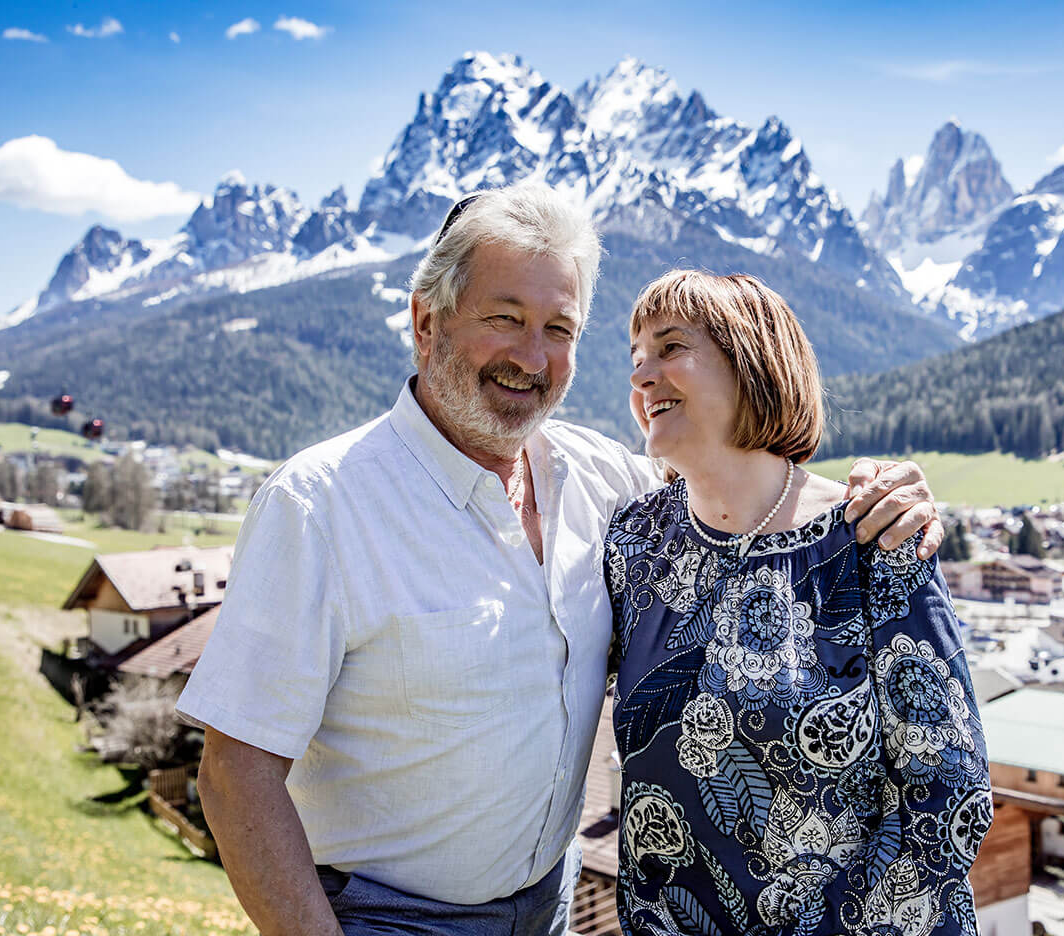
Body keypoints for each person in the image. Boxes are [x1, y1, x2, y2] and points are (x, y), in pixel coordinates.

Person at [176, 183, 946, 936]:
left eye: (559, 329)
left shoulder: (606, 482)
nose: (532, 356)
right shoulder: (319, 505)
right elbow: (235, 774)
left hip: (553, 904)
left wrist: (878, 491)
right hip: (388, 918)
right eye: (505, 319)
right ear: (426, 322)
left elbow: (738, 492)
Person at [607, 271, 990, 936]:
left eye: (670, 348)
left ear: (751, 362)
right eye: (636, 357)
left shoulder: (871, 536)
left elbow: (948, 795)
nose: (642, 375)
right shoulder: (633, 546)